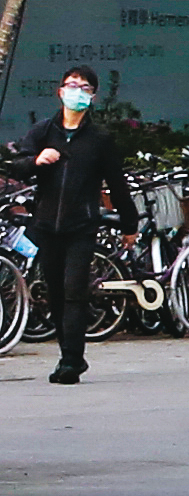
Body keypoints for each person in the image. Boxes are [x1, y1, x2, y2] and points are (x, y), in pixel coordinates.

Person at [21, 68, 121, 383]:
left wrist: (129, 224)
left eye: (84, 87)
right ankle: (68, 353)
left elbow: (117, 184)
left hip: (82, 225)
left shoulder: (99, 138)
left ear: (92, 96)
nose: (77, 91)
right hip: (47, 225)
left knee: (74, 289)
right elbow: (16, 166)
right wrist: (37, 160)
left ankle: (71, 360)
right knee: (55, 292)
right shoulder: (42, 131)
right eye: (72, 85)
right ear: (60, 91)